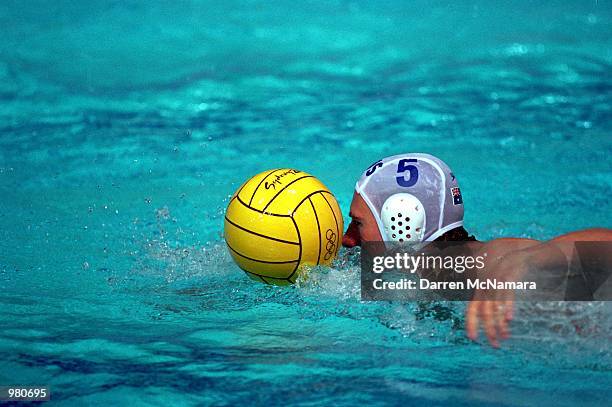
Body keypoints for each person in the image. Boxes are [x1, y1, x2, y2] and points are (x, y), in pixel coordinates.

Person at [342, 153, 612, 347]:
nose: (347, 240)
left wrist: (528, 261)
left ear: (401, 223)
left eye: (358, 223)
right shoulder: (422, 282)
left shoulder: (493, 261)